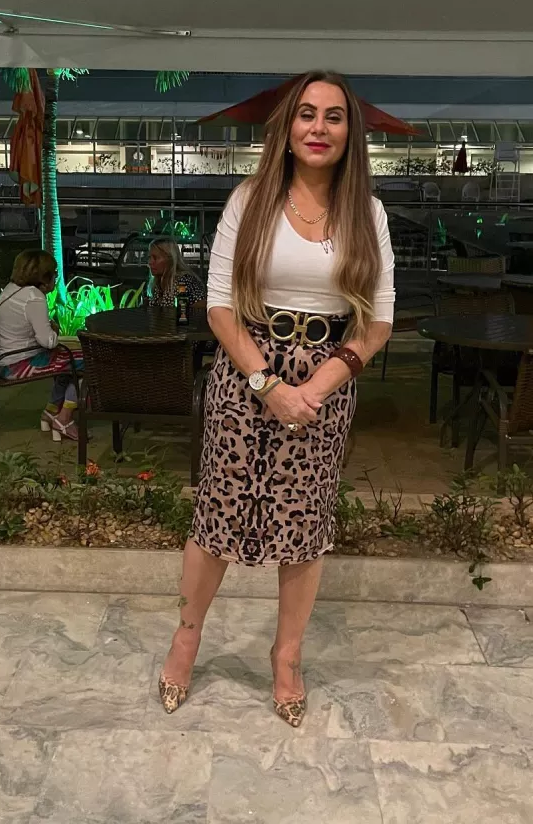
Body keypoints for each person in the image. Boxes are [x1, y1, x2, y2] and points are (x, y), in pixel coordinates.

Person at [158, 72, 395, 727]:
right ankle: (187, 637)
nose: (319, 127)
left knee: (304, 526)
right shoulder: (250, 199)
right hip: (245, 375)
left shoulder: (368, 213)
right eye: (307, 114)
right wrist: (268, 384)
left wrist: (312, 389)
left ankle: (286, 657)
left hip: (326, 382)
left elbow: (378, 322)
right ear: (287, 129)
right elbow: (218, 306)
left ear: (350, 133)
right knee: (218, 517)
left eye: (334, 117)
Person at [0, 249, 81, 441]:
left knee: (68, 360)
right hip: (16, 365)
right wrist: (54, 329)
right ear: (44, 277)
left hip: (0, 362)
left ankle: (51, 411)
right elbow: (48, 342)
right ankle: (64, 419)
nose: (56, 277)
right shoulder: (34, 297)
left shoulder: (11, 290)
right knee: (88, 362)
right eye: (54, 273)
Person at [146, 238, 206, 310]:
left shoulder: (185, 281)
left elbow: (201, 307)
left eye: (155, 258)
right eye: (149, 257)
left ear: (170, 259)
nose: (150, 262)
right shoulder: (156, 283)